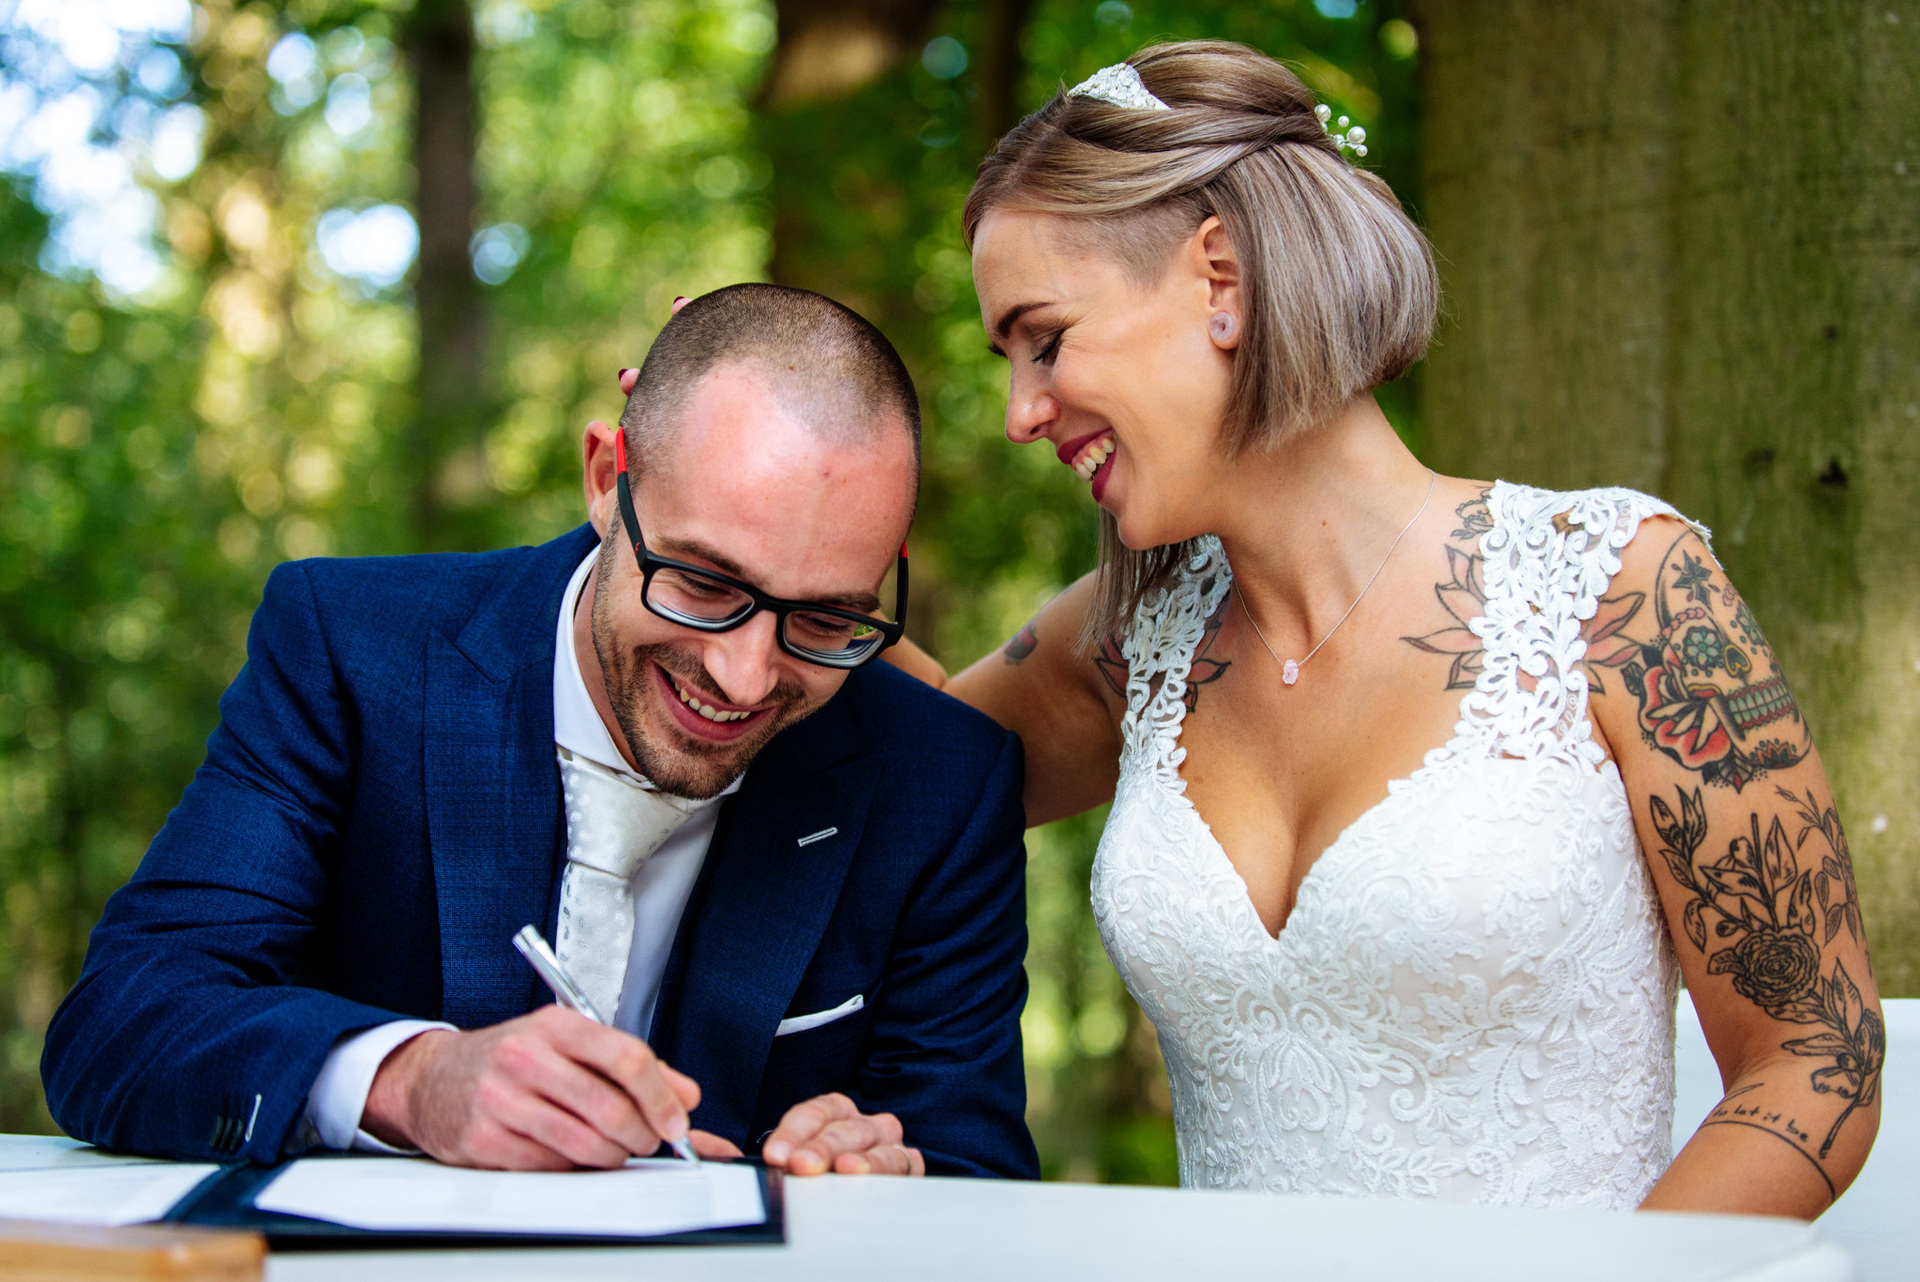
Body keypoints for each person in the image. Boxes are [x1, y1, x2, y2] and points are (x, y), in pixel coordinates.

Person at [890, 42, 1881, 1214]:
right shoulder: (1129, 642)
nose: (1019, 414)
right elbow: (897, 768)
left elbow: (1820, 1060)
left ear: (1223, 279)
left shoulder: (1622, 591)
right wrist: (738, 497)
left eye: (1044, 338)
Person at [42, 284, 1038, 1181]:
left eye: (826, 619)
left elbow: (972, 1168)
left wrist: (890, 1171)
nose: (744, 675)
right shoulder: (351, 652)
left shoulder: (943, 783)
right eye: (700, 581)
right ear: (608, 479)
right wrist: (412, 1079)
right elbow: (123, 1020)